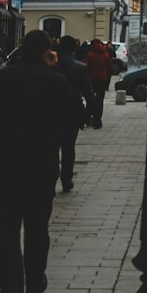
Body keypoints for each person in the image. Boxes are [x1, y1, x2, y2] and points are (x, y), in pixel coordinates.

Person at [0, 28, 82, 293]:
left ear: (21, 47)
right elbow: (76, 114)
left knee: (5, 232)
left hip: (5, 169)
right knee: (37, 229)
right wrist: (56, 140)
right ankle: (34, 282)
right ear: (47, 52)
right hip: (41, 167)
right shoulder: (54, 81)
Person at [55, 36, 95, 192]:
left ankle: (50, 180)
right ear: (74, 49)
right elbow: (89, 93)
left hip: (51, 112)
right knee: (68, 149)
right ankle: (66, 180)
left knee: (51, 148)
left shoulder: (52, 65)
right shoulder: (80, 67)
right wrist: (89, 115)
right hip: (72, 112)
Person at [83, 39, 114, 128]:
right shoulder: (106, 54)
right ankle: (97, 120)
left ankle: (87, 119)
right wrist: (107, 77)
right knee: (100, 100)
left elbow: (84, 67)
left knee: (90, 99)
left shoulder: (89, 54)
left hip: (91, 80)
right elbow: (110, 68)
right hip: (102, 80)